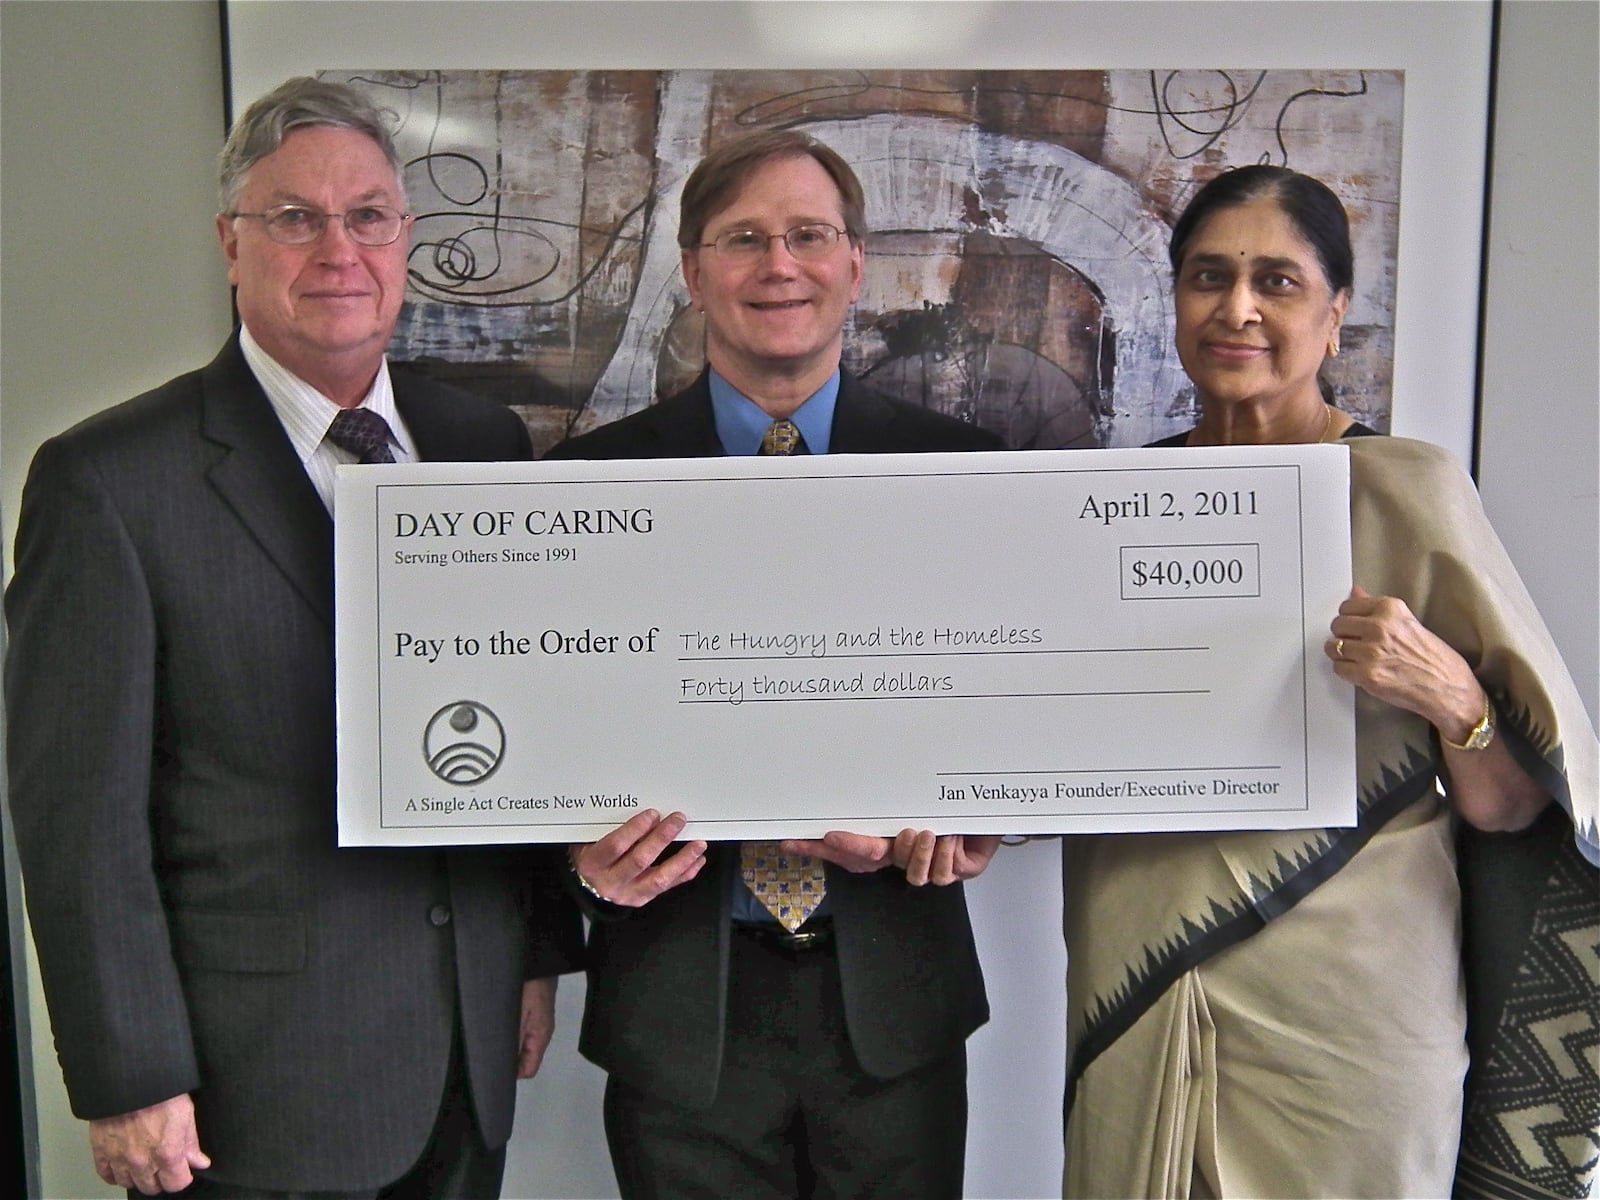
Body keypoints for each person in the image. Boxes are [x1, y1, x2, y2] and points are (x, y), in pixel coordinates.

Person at [5, 76, 584, 1198]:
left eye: (367, 216)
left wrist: (537, 951)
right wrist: (129, 1076)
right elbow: (78, 821)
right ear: (231, 243)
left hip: (462, 1064)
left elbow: (519, 717)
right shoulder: (109, 482)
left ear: (404, 240)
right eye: (294, 217)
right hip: (249, 1090)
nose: (338, 251)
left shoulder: (483, 446)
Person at [1059, 164, 1598, 1197]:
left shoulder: (1407, 488)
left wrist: (1453, 697)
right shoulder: (1109, 507)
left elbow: (1511, 808)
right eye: (1209, 276)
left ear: (1335, 313)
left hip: (1353, 1002)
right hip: (1140, 965)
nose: (1238, 308)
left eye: (1278, 280)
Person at [544, 129, 1003, 1199]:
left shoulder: (970, 478)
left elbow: (1013, 712)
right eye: (744, 239)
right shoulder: (581, 486)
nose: (779, 265)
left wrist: (989, 811)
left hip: (894, 1007)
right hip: (677, 1014)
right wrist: (580, 862)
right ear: (694, 272)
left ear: (855, 264)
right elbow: (542, 733)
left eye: (808, 235)